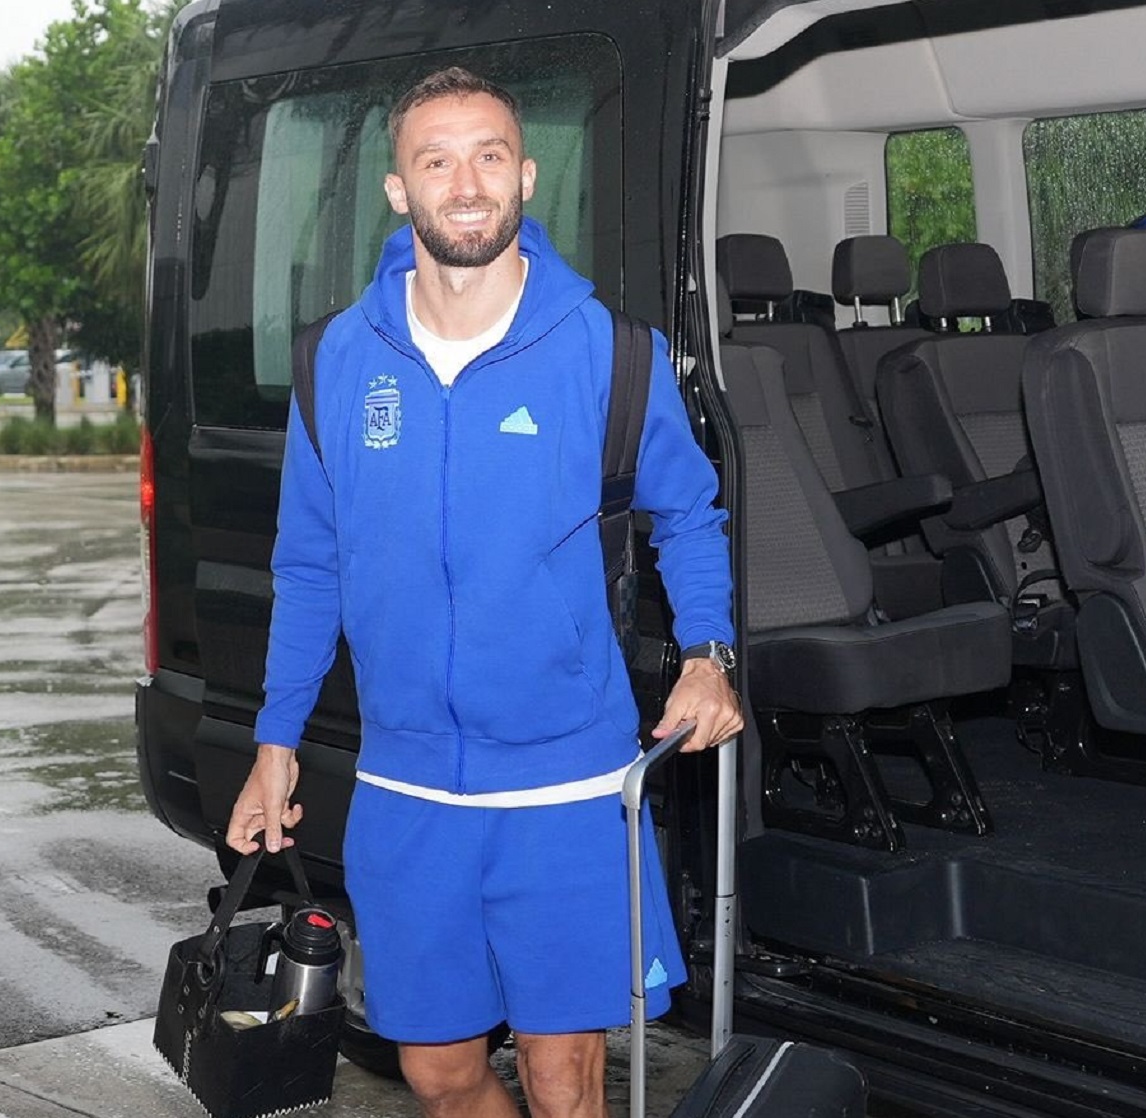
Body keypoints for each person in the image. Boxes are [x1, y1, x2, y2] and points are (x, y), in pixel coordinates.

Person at [227, 66, 741, 1118]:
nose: (467, 182)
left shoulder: (612, 352)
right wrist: (275, 739)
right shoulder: (335, 360)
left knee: (564, 1078)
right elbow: (309, 564)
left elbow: (691, 511)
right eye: (438, 159)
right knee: (438, 1072)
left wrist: (708, 650)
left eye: (490, 156)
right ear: (398, 191)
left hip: (567, 789)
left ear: (527, 176)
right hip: (409, 793)